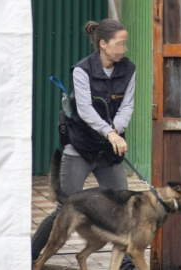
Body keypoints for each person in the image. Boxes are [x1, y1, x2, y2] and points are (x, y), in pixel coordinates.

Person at [32, 19, 136, 270]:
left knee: (124, 206)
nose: (124, 49)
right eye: (119, 43)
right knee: (66, 206)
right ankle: (28, 256)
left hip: (108, 150)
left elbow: (127, 106)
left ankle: (127, 265)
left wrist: (115, 132)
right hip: (80, 147)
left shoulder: (129, 69)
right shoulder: (82, 70)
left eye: (125, 43)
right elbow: (85, 110)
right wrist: (110, 133)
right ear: (102, 44)